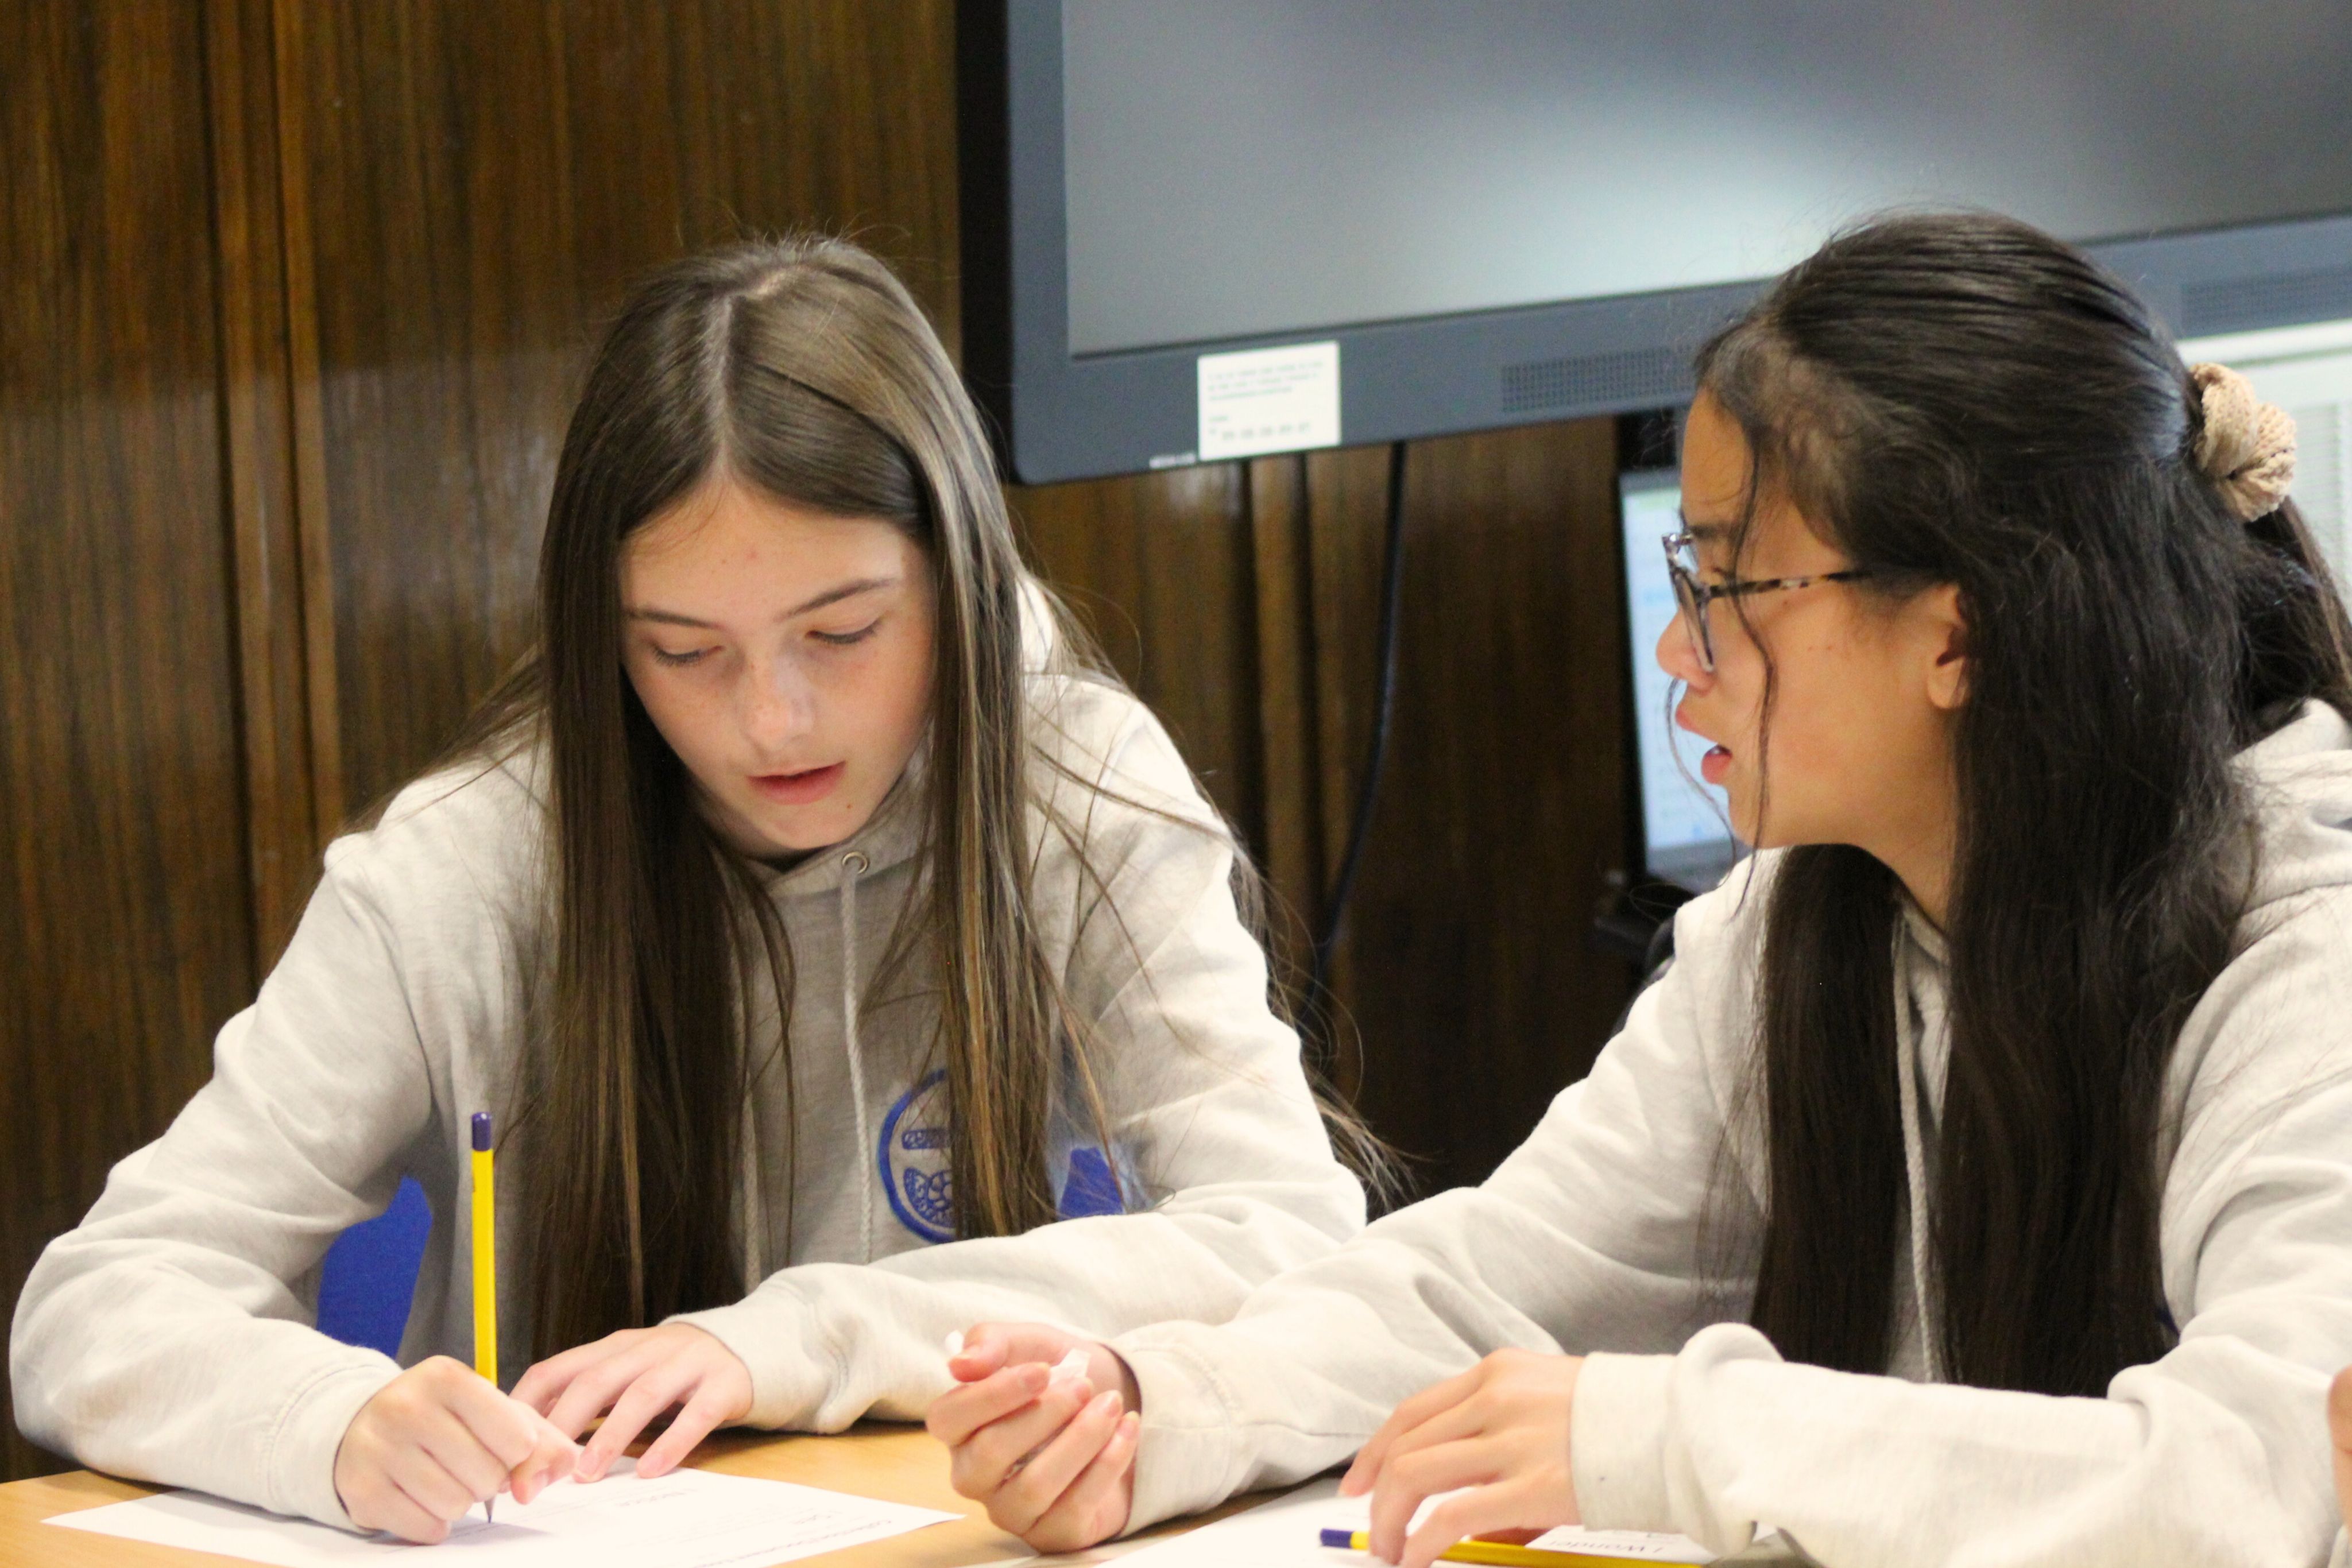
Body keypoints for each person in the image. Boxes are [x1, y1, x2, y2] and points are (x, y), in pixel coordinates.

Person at [928, 212, 2352, 1567]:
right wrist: (1153, 1406)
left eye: (1727, 586)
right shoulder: (1803, 914)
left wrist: (1672, 1431)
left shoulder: (2306, 953)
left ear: (1952, 638)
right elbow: (1504, 1276)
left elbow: (2257, 1480)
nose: (1679, 653)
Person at [10, 237, 1368, 1544]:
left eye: (841, 632)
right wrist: (331, 1417)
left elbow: (1289, 1232)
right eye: (683, 651)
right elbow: (94, 1308)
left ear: (954, 581)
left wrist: (788, 1337)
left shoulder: (1071, 789)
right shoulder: (458, 872)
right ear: (607, 641)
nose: (773, 720)